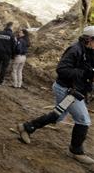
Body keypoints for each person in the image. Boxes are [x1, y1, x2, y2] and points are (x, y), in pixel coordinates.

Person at [17, 26, 94, 164]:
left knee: (58, 115)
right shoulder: (75, 50)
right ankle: (76, 151)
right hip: (66, 90)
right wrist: (84, 73)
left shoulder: (89, 51)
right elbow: (61, 69)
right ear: (88, 39)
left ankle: (27, 127)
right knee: (83, 120)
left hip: (75, 90)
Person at [0, 22, 15, 86]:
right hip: (6, 55)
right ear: (11, 27)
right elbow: (13, 47)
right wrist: (12, 56)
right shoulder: (12, 35)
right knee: (3, 68)